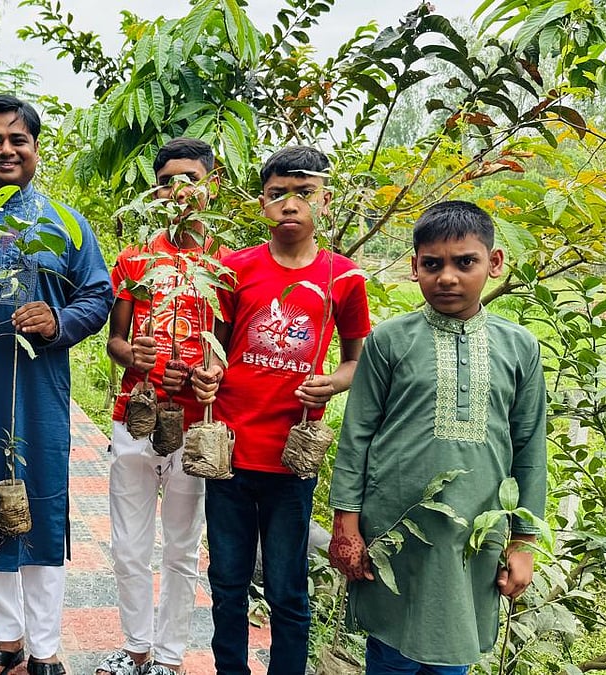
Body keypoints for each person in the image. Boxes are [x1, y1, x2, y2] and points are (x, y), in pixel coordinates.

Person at [327, 201, 546, 674]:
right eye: (433, 264)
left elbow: (529, 448)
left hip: (474, 532)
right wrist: (346, 523)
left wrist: (523, 542)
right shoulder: (389, 340)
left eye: (465, 262)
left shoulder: (519, 347)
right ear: (414, 268)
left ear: (495, 262)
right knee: (390, 651)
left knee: (454, 645)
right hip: (394, 529)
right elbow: (357, 433)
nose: (448, 277)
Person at [0, 94, 113, 675]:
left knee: (41, 508)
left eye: (18, 140)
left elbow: (98, 295)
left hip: (40, 389)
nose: (5, 150)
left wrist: (58, 322)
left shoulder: (66, 223)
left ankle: (45, 646)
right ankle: (6, 638)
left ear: (36, 149)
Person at [205, 146, 371, 675]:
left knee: (287, 589)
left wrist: (331, 384)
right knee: (227, 584)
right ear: (262, 203)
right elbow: (217, 344)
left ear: (325, 201)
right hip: (227, 453)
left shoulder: (343, 278)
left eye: (305, 192)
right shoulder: (234, 269)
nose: (291, 204)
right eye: (279, 193)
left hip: (292, 456)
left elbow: (355, 362)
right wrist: (209, 372)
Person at [99, 137, 226, 675]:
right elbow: (116, 341)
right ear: (155, 190)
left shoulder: (225, 265)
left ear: (211, 187)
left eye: (191, 180)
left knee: (181, 548)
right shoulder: (133, 261)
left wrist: (212, 374)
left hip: (197, 427)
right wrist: (141, 358)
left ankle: (171, 659)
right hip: (136, 414)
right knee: (129, 546)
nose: (179, 190)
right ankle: (136, 649)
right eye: (168, 180)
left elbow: (227, 346)